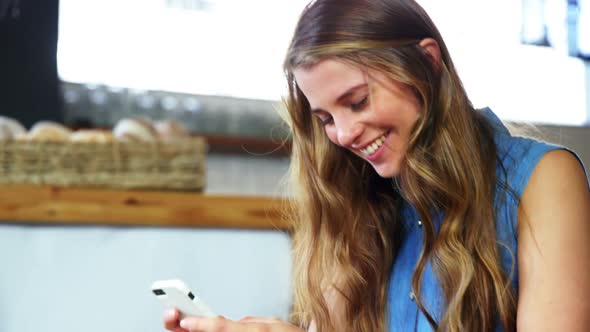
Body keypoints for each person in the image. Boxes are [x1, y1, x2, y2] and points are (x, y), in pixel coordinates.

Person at [163, 0, 590, 331]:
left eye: (358, 101)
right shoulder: (357, 205)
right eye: (326, 119)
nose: (344, 135)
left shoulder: (542, 180)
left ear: (427, 62)